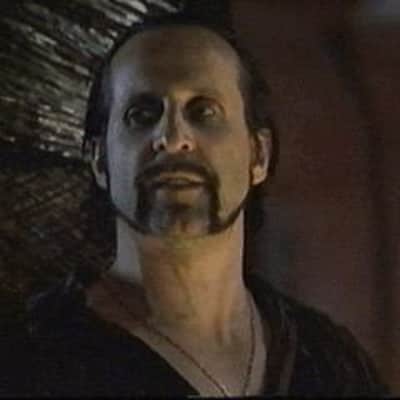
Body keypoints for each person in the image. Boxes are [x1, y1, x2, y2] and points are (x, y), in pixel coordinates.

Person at [6, 10, 388, 398]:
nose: (173, 138)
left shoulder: (330, 362)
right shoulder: (32, 359)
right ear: (100, 159)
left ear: (258, 155)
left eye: (204, 112)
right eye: (142, 115)